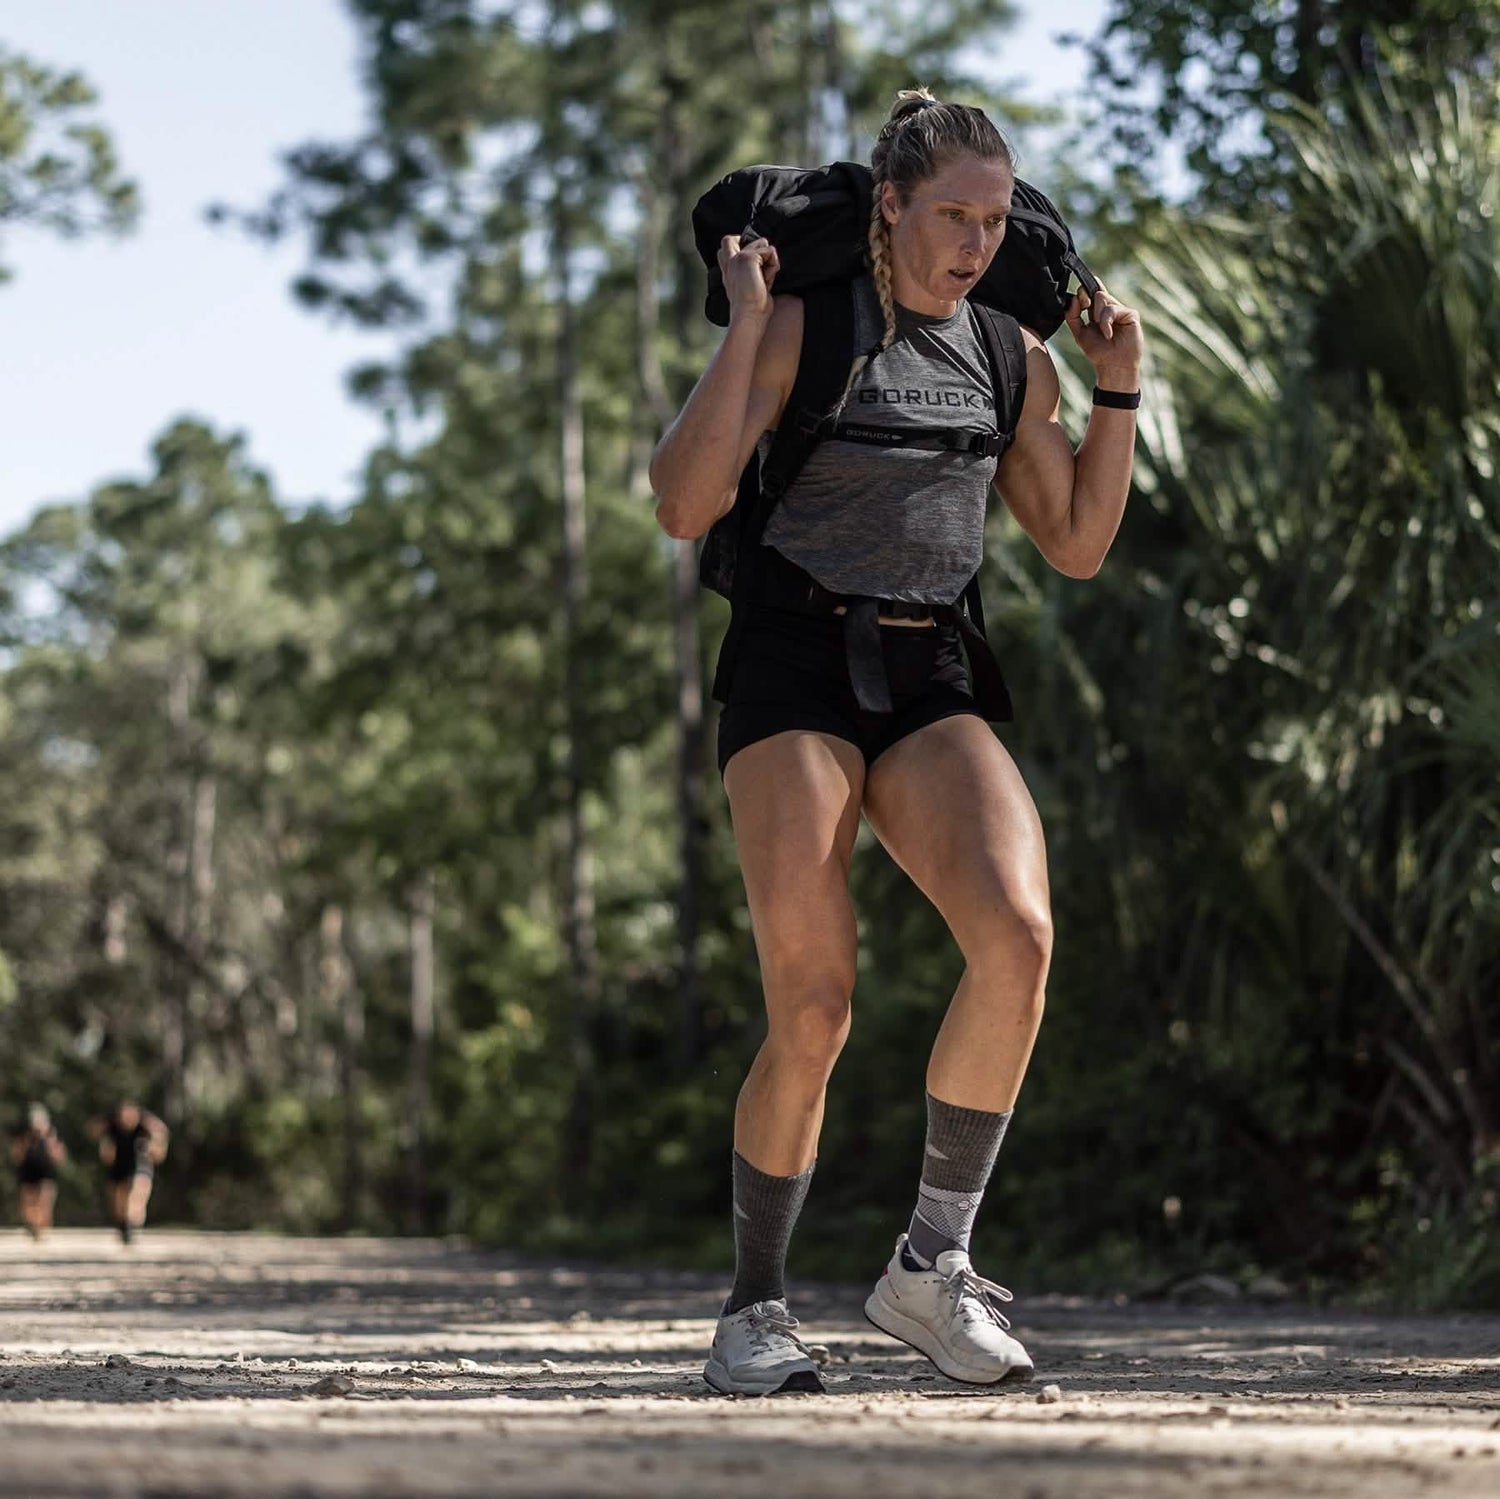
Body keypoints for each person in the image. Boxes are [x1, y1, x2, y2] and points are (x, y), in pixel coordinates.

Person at [651, 90, 1145, 1396]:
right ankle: (753, 1310)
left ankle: (932, 1265)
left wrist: (1118, 388)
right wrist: (747, 326)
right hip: (793, 658)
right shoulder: (806, 332)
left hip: (930, 663)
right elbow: (683, 500)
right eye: (953, 216)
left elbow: (1080, 544)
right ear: (891, 207)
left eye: (995, 218)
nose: (978, 242)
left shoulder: (1005, 354)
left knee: (1020, 935)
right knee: (813, 999)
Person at [89, 1101, 169, 1244]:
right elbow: (92, 1130)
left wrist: (157, 1147)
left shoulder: (144, 1127)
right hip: (118, 1167)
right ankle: (123, 1225)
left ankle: (132, 1224)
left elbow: (161, 1130)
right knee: (118, 1199)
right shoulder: (112, 1126)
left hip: (140, 1166)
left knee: (136, 1195)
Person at [9, 1103, 67, 1240]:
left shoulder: (52, 1136)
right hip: (28, 1173)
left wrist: (50, 1144)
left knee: (44, 1201)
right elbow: (17, 1157)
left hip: (45, 1174)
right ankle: (32, 1225)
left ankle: (40, 1227)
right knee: (28, 1202)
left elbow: (59, 1157)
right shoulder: (24, 1137)